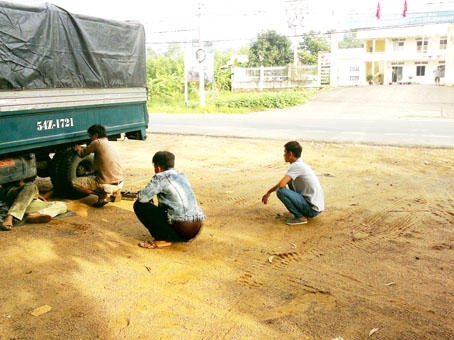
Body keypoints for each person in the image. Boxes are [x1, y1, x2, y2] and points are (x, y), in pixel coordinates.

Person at [134, 151, 206, 249]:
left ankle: (161, 239)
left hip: (180, 232)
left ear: (158, 168)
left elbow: (142, 198)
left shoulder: (160, 177)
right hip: (195, 230)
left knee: (139, 205)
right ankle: (180, 236)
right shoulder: (181, 174)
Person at [262, 141, 324, 225]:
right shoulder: (300, 164)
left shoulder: (296, 166)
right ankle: (300, 211)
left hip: (312, 209)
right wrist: (269, 192)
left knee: (281, 191)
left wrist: (270, 192)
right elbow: (283, 182)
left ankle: (300, 217)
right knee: (289, 182)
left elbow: (281, 185)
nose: (283, 155)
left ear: (290, 154)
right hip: (315, 207)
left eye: (285, 152)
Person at [73, 124, 124, 207]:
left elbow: (82, 154)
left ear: (96, 135)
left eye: (90, 136)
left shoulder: (97, 142)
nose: (90, 138)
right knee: (95, 177)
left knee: (74, 183)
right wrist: (89, 173)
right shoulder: (110, 144)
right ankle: (114, 192)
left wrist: (78, 149)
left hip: (106, 184)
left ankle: (102, 194)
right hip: (120, 183)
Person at [1, 179, 67, 231]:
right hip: (14, 194)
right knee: (31, 185)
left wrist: (37, 195)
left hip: (27, 205)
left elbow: (44, 197)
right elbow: (21, 184)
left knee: (62, 205)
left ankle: (36, 214)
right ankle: (10, 216)